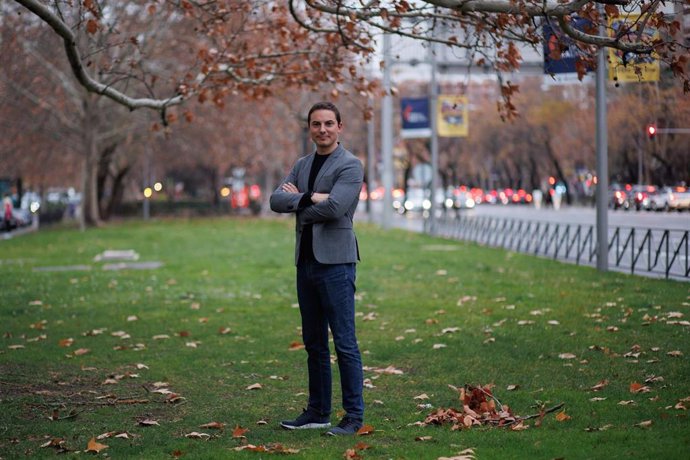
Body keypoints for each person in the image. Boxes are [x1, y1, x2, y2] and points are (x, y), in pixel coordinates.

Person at [270, 101, 364, 436]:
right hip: (306, 263)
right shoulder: (302, 164)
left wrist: (300, 203)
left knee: (344, 342)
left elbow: (337, 208)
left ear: (340, 126)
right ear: (309, 129)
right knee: (313, 343)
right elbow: (275, 200)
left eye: (328, 123)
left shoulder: (350, 165)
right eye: (315, 124)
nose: (322, 129)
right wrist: (312, 197)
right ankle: (317, 412)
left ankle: (353, 417)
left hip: (336, 264)